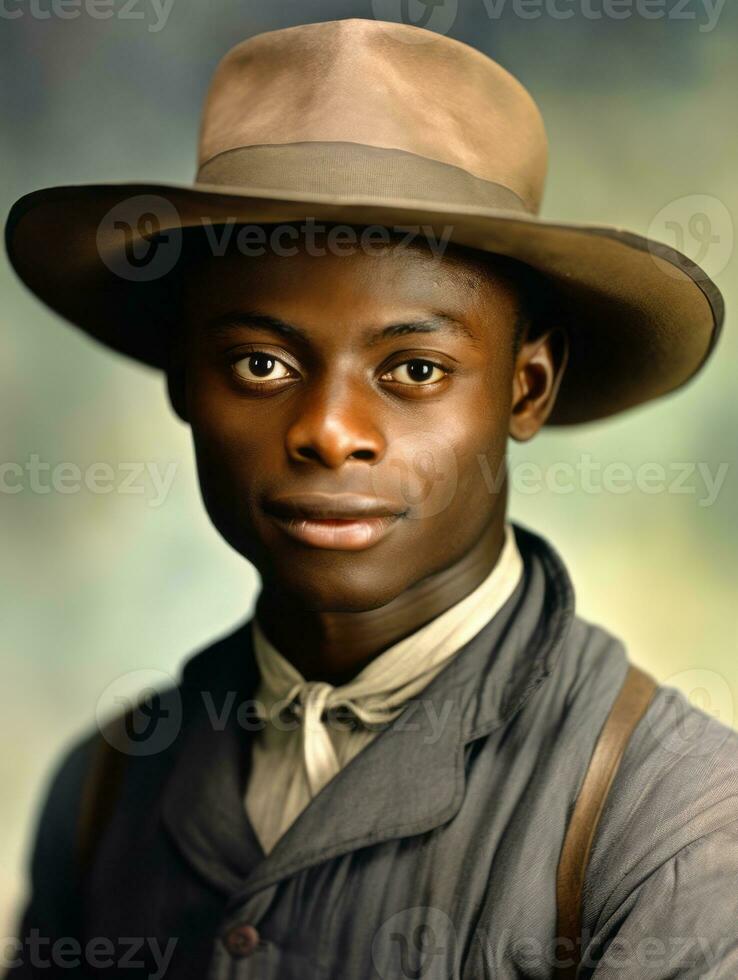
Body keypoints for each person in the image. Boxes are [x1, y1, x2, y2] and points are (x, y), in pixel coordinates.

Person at [4, 18, 736, 980]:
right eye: (261, 363)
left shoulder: (670, 823)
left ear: (527, 389)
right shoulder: (106, 786)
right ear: (183, 378)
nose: (329, 429)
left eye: (416, 368)